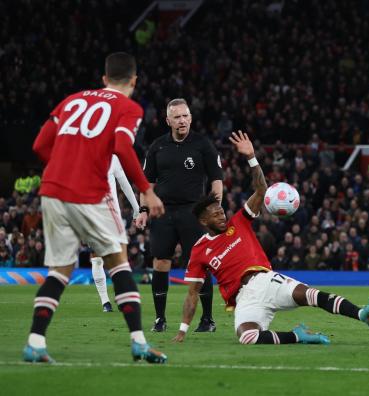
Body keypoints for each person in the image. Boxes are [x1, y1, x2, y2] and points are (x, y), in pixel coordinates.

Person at [172, 131, 369, 345]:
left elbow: (261, 190)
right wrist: (182, 330)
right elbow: (192, 294)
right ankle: (298, 336)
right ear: (204, 222)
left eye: (221, 210)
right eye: (215, 214)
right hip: (244, 298)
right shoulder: (200, 250)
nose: (222, 215)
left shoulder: (238, 221)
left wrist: (251, 157)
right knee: (247, 337)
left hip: (265, 280)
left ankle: (362, 314)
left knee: (311, 295)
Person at [26, 52, 167, 363]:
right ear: (134, 80)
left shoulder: (70, 101)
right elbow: (121, 147)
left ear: (104, 79)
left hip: (52, 191)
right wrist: (147, 190)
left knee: (59, 272)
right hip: (89, 194)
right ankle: (139, 342)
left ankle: (35, 343)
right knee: (119, 263)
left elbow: (39, 146)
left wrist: (65, 165)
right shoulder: (128, 107)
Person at [135, 98, 223, 333]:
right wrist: (143, 210)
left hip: (193, 212)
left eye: (185, 116)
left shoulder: (202, 144)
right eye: (177, 117)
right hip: (162, 212)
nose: (182, 120)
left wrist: (215, 209)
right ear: (168, 120)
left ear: (191, 118)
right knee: (161, 262)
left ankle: (207, 320)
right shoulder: (157, 146)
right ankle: (160, 320)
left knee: (200, 265)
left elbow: (216, 179)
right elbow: (147, 184)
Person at [91, 154, 140, 313]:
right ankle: (105, 301)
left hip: (114, 216)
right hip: (93, 214)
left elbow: (124, 183)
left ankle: (121, 296)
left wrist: (136, 208)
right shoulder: (82, 156)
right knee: (97, 259)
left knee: (119, 258)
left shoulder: (113, 158)